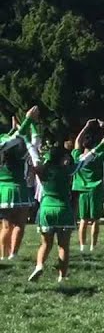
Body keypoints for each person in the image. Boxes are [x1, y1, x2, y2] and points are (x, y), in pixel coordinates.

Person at [27, 121, 104, 282]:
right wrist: (103, 143)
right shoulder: (68, 171)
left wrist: (28, 128)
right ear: (62, 159)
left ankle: (39, 265)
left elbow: (33, 151)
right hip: (63, 209)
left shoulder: (42, 170)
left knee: (45, 244)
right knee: (63, 246)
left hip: (46, 208)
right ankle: (62, 276)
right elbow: (89, 157)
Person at [0, 108, 39, 260]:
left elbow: (11, 138)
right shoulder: (22, 152)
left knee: (5, 226)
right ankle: (13, 254)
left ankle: (3, 256)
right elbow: (34, 140)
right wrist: (29, 121)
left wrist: (15, 128)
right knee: (19, 225)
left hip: (2, 190)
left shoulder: (3, 151)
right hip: (19, 189)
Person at [71, 119, 104, 252]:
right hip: (96, 189)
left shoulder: (77, 157)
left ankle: (82, 245)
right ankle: (93, 245)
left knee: (83, 219)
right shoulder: (97, 156)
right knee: (95, 220)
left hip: (82, 190)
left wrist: (86, 127)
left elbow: (76, 142)